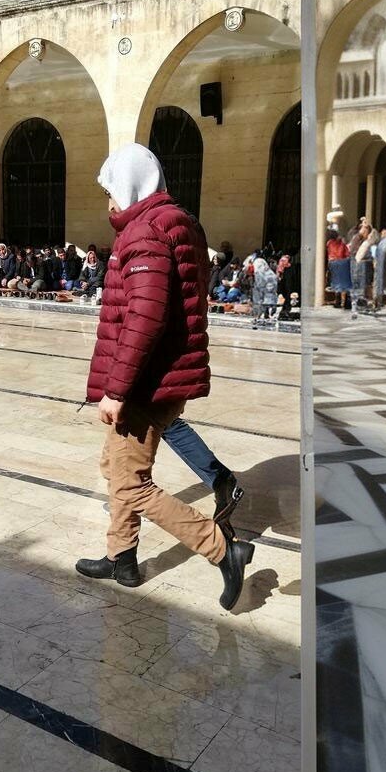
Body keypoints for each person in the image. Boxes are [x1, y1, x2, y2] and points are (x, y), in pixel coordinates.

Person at [76, 143, 254, 610]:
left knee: (130, 481)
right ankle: (122, 558)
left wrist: (116, 390)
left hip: (145, 382)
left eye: (110, 190)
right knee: (117, 467)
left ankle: (222, 549)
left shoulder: (145, 232)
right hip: (162, 376)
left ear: (128, 188)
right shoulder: (178, 223)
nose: (108, 202)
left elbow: (146, 317)